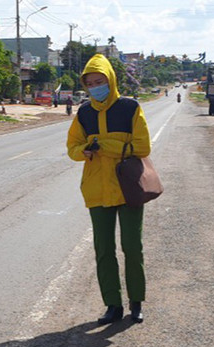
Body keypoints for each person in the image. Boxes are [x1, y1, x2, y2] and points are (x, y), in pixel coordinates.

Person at [66, 53, 151, 324]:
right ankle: (112, 305)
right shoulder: (84, 112)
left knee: (132, 247)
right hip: (96, 190)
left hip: (128, 188)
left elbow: (143, 147)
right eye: (90, 82)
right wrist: (86, 150)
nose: (94, 86)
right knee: (103, 250)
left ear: (111, 80)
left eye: (99, 80)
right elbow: (72, 149)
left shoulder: (130, 108)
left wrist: (105, 146)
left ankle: (136, 302)